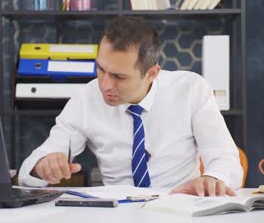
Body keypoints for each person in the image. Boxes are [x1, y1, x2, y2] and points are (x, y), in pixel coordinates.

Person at [19, 16, 242, 196]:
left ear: (152, 73)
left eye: (119, 76)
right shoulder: (86, 98)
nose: (105, 84)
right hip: (116, 212)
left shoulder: (191, 89)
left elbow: (225, 159)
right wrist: (43, 166)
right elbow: (30, 170)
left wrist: (213, 178)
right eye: (101, 69)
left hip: (179, 205)